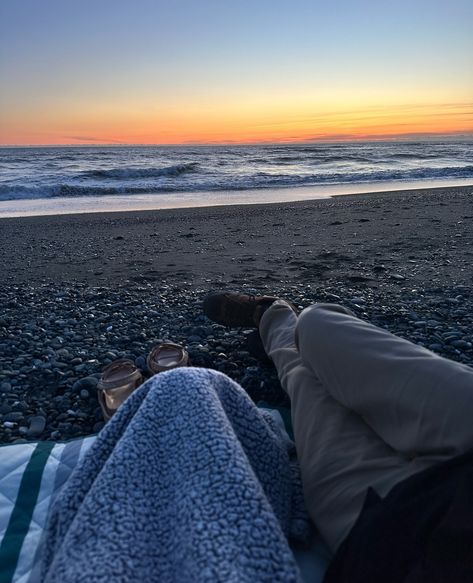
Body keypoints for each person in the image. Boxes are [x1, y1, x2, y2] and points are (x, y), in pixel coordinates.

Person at [202, 292, 473, 582]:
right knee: (317, 323)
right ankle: (276, 315)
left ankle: (271, 325)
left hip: (390, 538)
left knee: (301, 378)